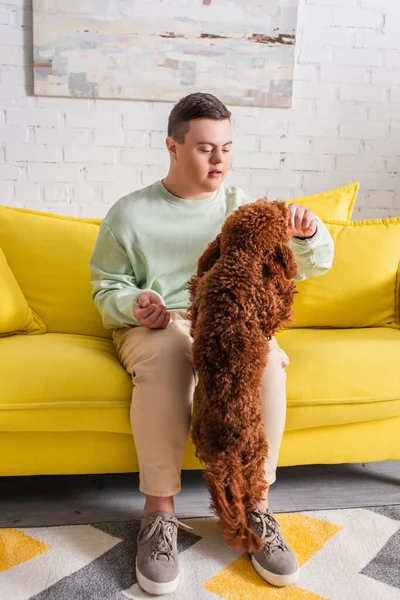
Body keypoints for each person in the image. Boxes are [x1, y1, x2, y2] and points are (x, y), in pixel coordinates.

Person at [89, 92, 334, 595]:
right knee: (168, 359)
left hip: (227, 319)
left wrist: (308, 234)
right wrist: (135, 303)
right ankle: (159, 513)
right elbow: (105, 288)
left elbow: (307, 267)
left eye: (226, 147)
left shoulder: (244, 209)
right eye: (205, 148)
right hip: (156, 325)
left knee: (266, 361)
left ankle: (258, 507)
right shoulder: (129, 213)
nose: (219, 159)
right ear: (173, 148)